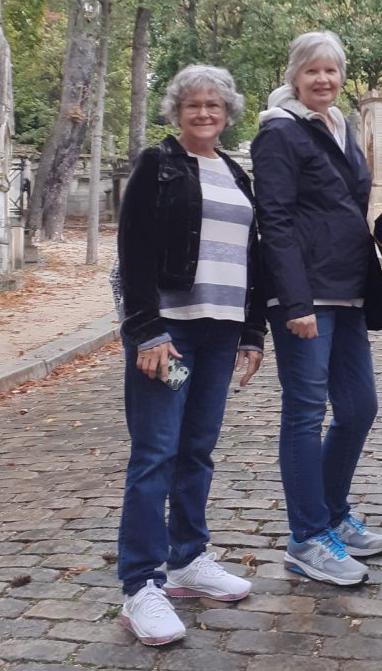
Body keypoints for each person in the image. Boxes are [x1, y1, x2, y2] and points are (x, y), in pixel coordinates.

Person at [116, 64, 266, 646]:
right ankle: (139, 586)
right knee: (156, 453)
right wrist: (147, 330)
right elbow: (134, 249)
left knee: (197, 449)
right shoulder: (158, 165)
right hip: (170, 333)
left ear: (229, 112)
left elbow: (252, 258)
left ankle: (187, 559)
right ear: (176, 111)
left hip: (220, 331)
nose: (204, 113)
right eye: (193, 105)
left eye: (214, 105)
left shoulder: (235, 171)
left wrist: (253, 333)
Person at [251, 30, 382, 587]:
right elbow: (275, 220)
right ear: (294, 76)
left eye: (332, 70)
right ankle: (307, 537)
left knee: (358, 408)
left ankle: (331, 514)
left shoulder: (339, 125)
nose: (324, 80)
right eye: (313, 71)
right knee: (306, 414)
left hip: (349, 290)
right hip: (305, 295)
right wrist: (295, 299)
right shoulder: (279, 133)